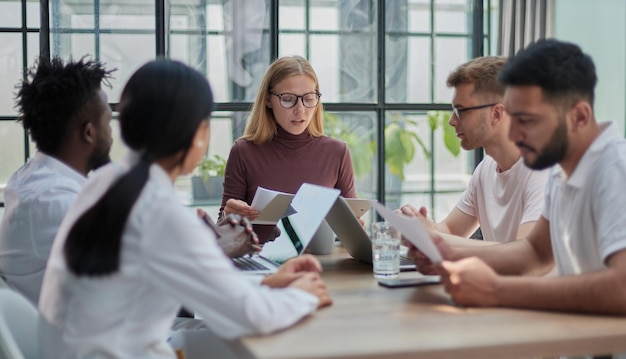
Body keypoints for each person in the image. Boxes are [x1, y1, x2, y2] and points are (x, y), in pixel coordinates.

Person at [38, 59, 332, 359]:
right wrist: (302, 296)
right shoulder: (158, 211)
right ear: (197, 134)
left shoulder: (104, 183)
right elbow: (249, 315)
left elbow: (192, 282)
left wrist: (269, 284)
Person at [407, 39, 626, 316]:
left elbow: (622, 288)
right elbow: (534, 253)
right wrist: (444, 252)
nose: (512, 135)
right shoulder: (564, 172)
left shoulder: (616, 169)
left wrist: (496, 290)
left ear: (579, 117)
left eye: (527, 121)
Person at [0, 56, 113, 305]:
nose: (112, 134)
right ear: (89, 132)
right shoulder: (54, 201)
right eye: (108, 121)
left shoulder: (33, 178)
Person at [401, 56, 548, 244]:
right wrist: (415, 228)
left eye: (461, 111)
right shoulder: (486, 169)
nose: (452, 121)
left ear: (496, 114)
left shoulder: (544, 170)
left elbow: (523, 254)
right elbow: (451, 230)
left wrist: (433, 237)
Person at [219, 55, 356, 225]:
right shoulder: (244, 152)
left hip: (318, 253)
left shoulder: (337, 153)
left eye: (308, 99)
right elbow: (222, 234)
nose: (300, 110)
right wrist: (228, 215)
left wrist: (353, 229)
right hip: (258, 251)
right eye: (288, 99)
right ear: (268, 100)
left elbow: (349, 230)